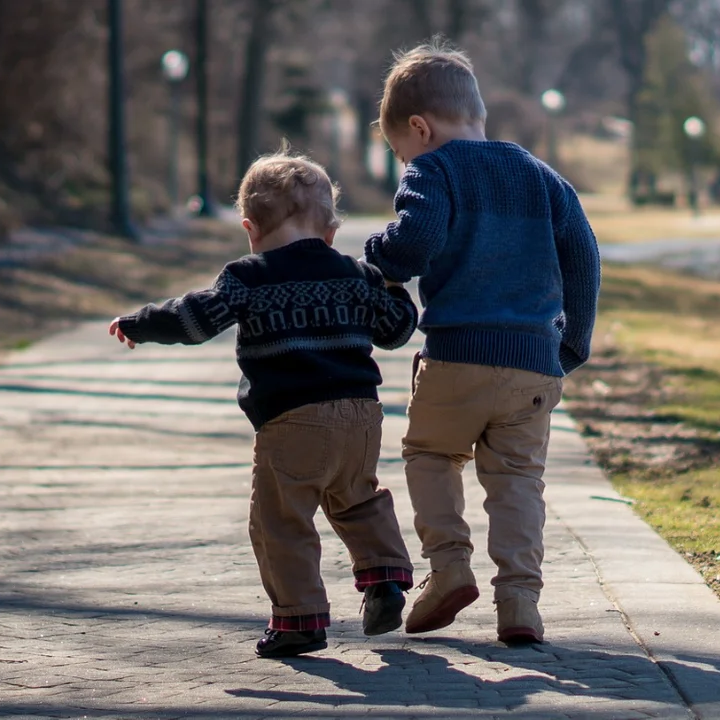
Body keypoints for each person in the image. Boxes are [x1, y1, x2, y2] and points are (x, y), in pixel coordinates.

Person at [110, 150, 418, 658]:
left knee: (280, 519)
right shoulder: (354, 274)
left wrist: (142, 323)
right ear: (330, 230)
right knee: (358, 498)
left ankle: (299, 619)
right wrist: (394, 285)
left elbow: (196, 319)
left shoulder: (248, 276)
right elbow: (395, 330)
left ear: (250, 228)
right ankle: (384, 579)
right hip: (361, 416)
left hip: (292, 419)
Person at [364, 39, 601, 644]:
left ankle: (448, 568)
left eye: (400, 150)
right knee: (519, 479)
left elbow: (413, 243)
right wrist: (572, 343)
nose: (404, 160)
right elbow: (584, 257)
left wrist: (377, 255)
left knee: (430, 454)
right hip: (533, 366)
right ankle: (520, 602)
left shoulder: (433, 169)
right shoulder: (541, 176)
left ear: (420, 128)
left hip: (457, 357)